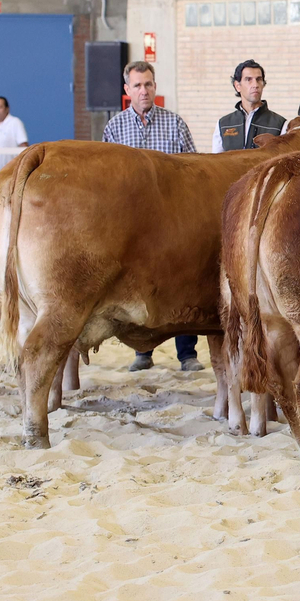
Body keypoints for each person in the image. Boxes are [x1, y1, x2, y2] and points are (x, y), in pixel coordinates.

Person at [103, 61, 202, 371]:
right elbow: (107, 181)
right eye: (137, 85)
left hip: (174, 219)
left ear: (155, 87)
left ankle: (188, 354)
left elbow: (193, 171)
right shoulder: (114, 128)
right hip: (133, 224)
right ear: (127, 90)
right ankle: (142, 353)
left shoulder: (176, 125)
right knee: (140, 285)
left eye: (148, 84)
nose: (143, 90)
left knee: (184, 282)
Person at [211, 60, 285, 153]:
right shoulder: (223, 124)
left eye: (258, 79)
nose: (255, 85)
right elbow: (217, 161)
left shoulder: (280, 124)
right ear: (238, 86)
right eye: (248, 79)